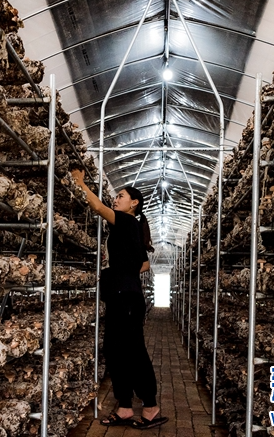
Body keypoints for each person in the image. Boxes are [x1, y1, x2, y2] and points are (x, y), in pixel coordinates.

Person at [71, 169, 167, 430]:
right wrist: (121, 271)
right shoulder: (133, 229)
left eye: (121, 196)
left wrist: (80, 183)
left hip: (126, 299)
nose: (116, 198)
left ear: (133, 203)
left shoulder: (127, 221)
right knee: (114, 351)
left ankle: (150, 406)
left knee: (133, 351)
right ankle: (124, 406)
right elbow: (144, 265)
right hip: (121, 296)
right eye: (117, 196)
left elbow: (98, 206)